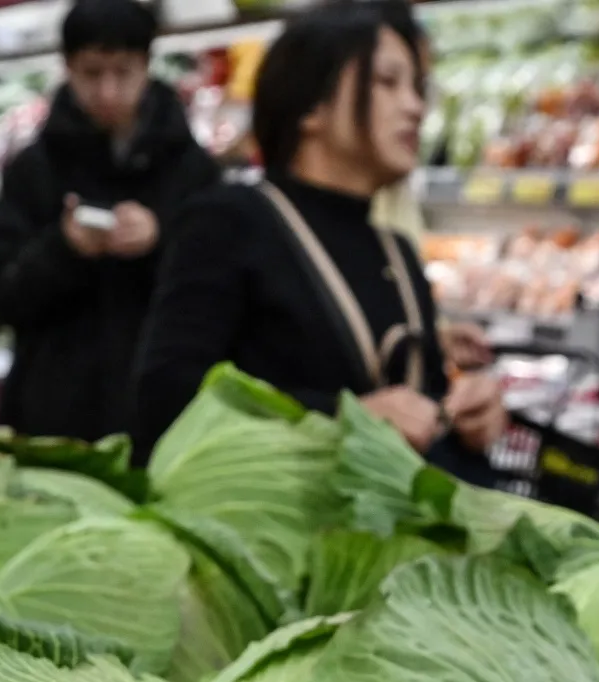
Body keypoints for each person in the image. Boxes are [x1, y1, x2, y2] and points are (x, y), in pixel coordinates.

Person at [131, 2, 506, 478]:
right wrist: (339, 419)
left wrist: (465, 420)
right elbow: (167, 403)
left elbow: (419, 407)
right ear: (311, 105)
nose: (414, 106)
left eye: (416, 86)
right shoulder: (231, 223)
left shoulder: (397, 253)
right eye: (387, 82)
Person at [0, 0, 220, 452]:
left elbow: (220, 299)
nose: (108, 92)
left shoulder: (192, 172)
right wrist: (63, 249)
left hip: (163, 421)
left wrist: (161, 241)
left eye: (123, 72)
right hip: (51, 418)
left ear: (147, 66)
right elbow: (0, 294)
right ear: (67, 68)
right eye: (92, 74)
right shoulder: (33, 170)